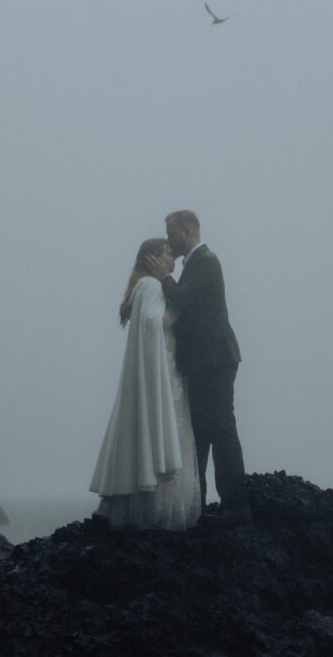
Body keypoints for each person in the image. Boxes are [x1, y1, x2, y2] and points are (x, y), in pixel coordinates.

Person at [147, 210, 251, 525]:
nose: (168, 239)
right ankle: (201, 502)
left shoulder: (206, 262)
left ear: (189, 230)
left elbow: (181, 299)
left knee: (221, 429)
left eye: (171, 232)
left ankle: (236, 505)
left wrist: (163, 276)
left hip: (216, 361)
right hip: (205, 362)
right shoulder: (195, 265)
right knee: (203, 433)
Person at [89, 238, 201, 530]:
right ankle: (160, 508)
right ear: (153, 258)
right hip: (163, 370)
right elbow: (155, 322)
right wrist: (182, 311)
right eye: (168, 255)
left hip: (162, 367)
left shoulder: (144, 286)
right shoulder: (152, 286)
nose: (173, 260)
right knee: (167, 429)